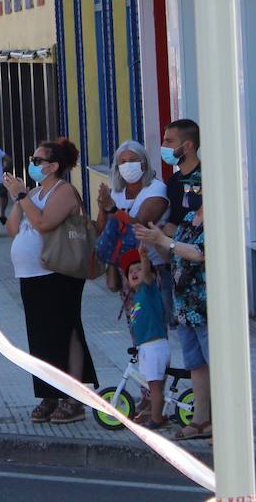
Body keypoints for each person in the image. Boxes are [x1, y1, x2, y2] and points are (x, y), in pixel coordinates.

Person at [2, 138, 98, 424]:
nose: (32, 165)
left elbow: (44, 224)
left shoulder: (65, 191)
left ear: (54, 166)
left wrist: (22, 197)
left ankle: (74, 397)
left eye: (37, 161)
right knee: (40, 337)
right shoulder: (34, 192)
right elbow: (11, 228)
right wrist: (20, 197)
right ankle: (49, 394)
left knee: (65, 331)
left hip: (58, 273)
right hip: (30, 275)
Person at [135, 203, 211, 440]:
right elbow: (172, 253)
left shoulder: (218, 217)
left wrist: (165, 240)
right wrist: (154, 242)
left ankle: (225, 424)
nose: (190, 191)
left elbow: (200, 253)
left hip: (206, 306)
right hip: (185, 307)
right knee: (196, 365)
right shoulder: (190, 217)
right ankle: (201, 420)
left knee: (217, 366)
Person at [96, 141, 169, 298]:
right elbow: (102, 229)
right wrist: (102, 207)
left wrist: (113, 209)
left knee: (158, 317)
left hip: (153, 266)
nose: (127, 165)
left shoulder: (156, 188)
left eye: (133, 161)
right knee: (136, 319)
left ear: (144, 164)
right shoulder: (117, 192)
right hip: (127, 267)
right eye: (123, 162)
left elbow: (140, 224)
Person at [125, 259, 170, 428]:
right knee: (155, 385)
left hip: (154, 347)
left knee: (154, 387)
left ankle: (156, 419)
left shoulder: (148, 290)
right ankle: (159, 414)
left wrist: (143, 256)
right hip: (149, 347)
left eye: (139, 269)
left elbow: (147, 274)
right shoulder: (137, 296)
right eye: (131, 272)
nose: (135, 273)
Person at [161, 119, 202, 235]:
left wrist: (176, 232)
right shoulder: (173, 180)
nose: (164, 146)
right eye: (164, 141)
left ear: (188, 145)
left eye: (169, 141)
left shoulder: (204, 179)